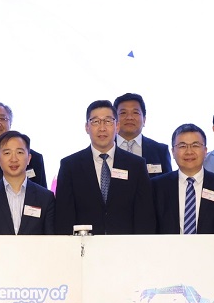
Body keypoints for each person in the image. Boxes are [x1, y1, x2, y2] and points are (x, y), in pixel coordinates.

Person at [54, 99, 156, 235]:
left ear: (117, 126)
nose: (102, 128)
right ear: (87, 127)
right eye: (95, 121)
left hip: (126, 248)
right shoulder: (70, 166)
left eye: (108, 121)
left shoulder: (136, 165)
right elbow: (63, 217)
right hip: (84, 248)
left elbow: (144, 215)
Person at [151, 124, 214, 234]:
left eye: (195, 145)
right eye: (182, 146)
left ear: (205, 151)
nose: (189, 151)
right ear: (173, 152)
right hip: (168, 250)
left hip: (211, 250)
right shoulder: (156, 186)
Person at [0, 131, 55, 235]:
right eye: (7, 153)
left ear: (29, 159)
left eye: (19, 152)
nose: (13, 159)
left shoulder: (45, 197)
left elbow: (51, 240)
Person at [113, 92, 172, 176]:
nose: (129, 117)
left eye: (135, 112)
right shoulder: (104, 149)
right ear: (114, 120)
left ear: (144, 120)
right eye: (123, 113)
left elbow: (167, 183)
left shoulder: (160, 151)